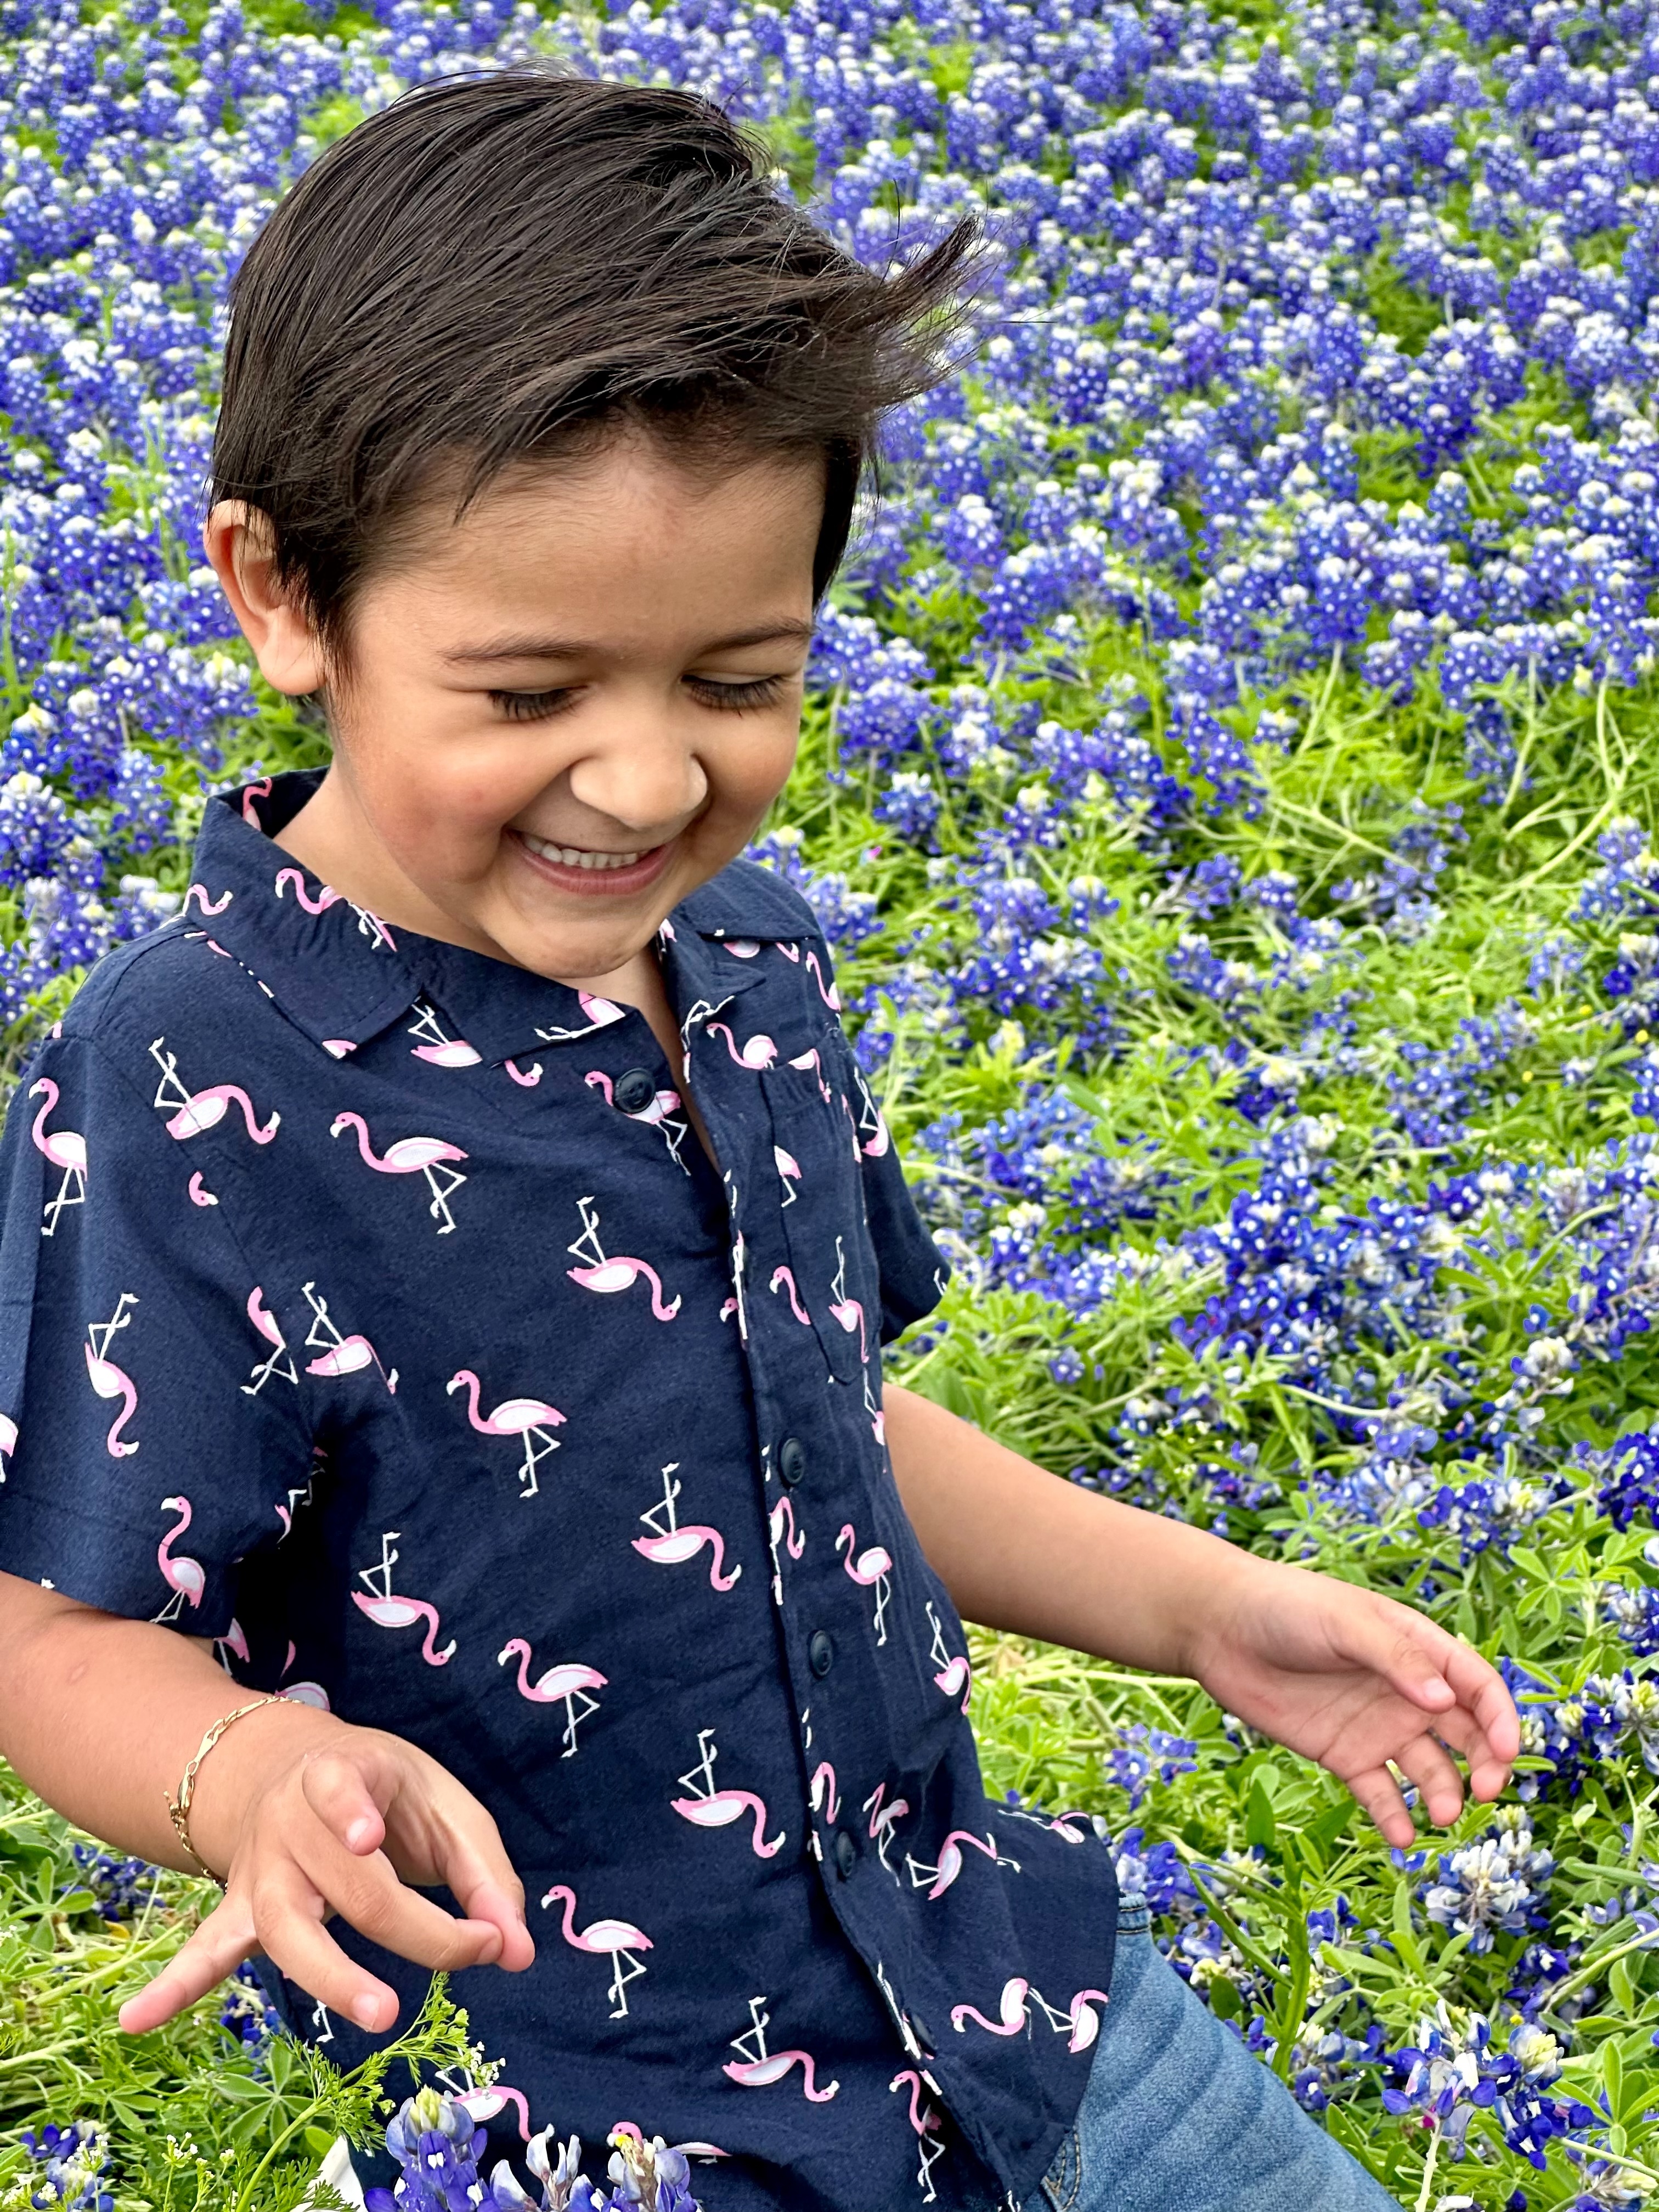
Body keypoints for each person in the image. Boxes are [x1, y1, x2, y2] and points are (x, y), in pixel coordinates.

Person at [0, 69, 1517, 2212]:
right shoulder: (185, 1077)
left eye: (739, 676)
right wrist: (245, 1764)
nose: (639, 783)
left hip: (1013, 1998)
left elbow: (811, 1418)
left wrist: (1196, 1610)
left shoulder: (755, 958)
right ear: (283, 596)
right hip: (636, 2120)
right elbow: (58, 1624)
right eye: (528, 692)